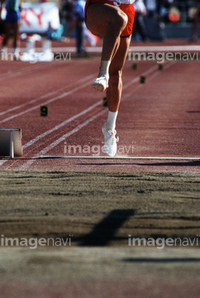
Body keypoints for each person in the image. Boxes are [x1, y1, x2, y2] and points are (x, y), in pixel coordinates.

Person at [85, 0, 135, 157]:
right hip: (100, 5)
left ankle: (110, 128)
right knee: (119, 19)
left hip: (126, 8)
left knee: (116, 75)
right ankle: (102, 73)